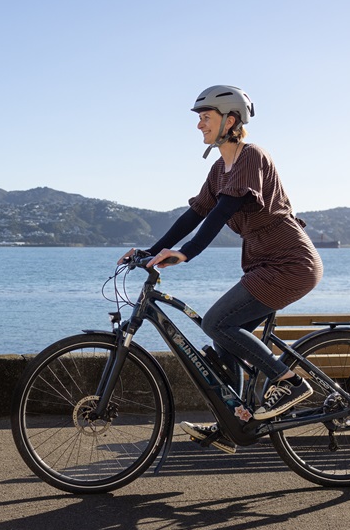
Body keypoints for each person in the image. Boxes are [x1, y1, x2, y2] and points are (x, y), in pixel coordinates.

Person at [118, 85, 323, 454]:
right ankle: (238, 420)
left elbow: (222, 212)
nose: (199, 125)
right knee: (223, 337)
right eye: (198, 118)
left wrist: (187, 253)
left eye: (205, 117)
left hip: (291, 264)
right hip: (263, 265)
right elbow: (196, 212)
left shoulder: (251, 157)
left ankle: (290, 383)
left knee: (216, 323)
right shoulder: (219, 168)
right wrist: (151, 250)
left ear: (231, 120)